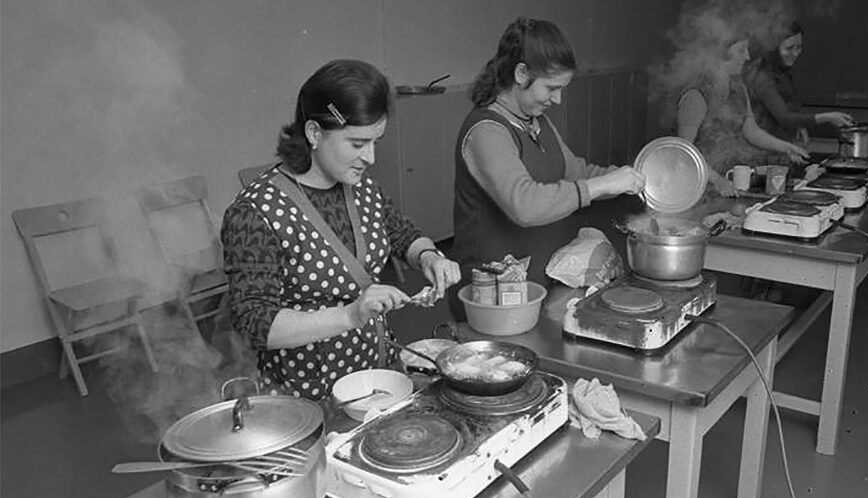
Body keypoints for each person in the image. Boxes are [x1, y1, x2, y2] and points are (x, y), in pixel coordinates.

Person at [221, 59, 461, 401]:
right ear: (314, 133)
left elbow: (401, 232)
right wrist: (351, 314)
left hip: (377, 376)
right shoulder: (255, 213)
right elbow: (257, 323)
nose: (371, 157)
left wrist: (429, 256)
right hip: (307, 395)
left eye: (376, 141)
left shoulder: (361, 188)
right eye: (357, 143)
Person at [449, 17, 645, 320]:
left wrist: (630, 177)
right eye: (552, 87)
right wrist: (602, 186)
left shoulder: (535, 122)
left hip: (539, 284)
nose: (558, 98)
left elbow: (576, 172)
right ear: (521, 73)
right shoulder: (487, 131)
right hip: (493, 295)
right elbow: (524, 205)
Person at [675, 34, 810, 197]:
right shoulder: (696, 94)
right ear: (721, 53)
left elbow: (752, 131)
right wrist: (717, 181)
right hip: (699, 189)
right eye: (741, 50)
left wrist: (786, 148)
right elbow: (684, 151)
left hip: (728, 184)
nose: (746, 56)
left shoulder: (738, 87)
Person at [745, 20, 853, 147]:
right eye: (789, 48)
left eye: (799, 47)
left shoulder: (782, 72)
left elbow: (790, 109)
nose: (795, 53)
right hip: (762, 152)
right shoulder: (762, 77)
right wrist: (827, 117)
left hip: (784, 148)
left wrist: (799, 126)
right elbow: (784, 118)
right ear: (773, 48)